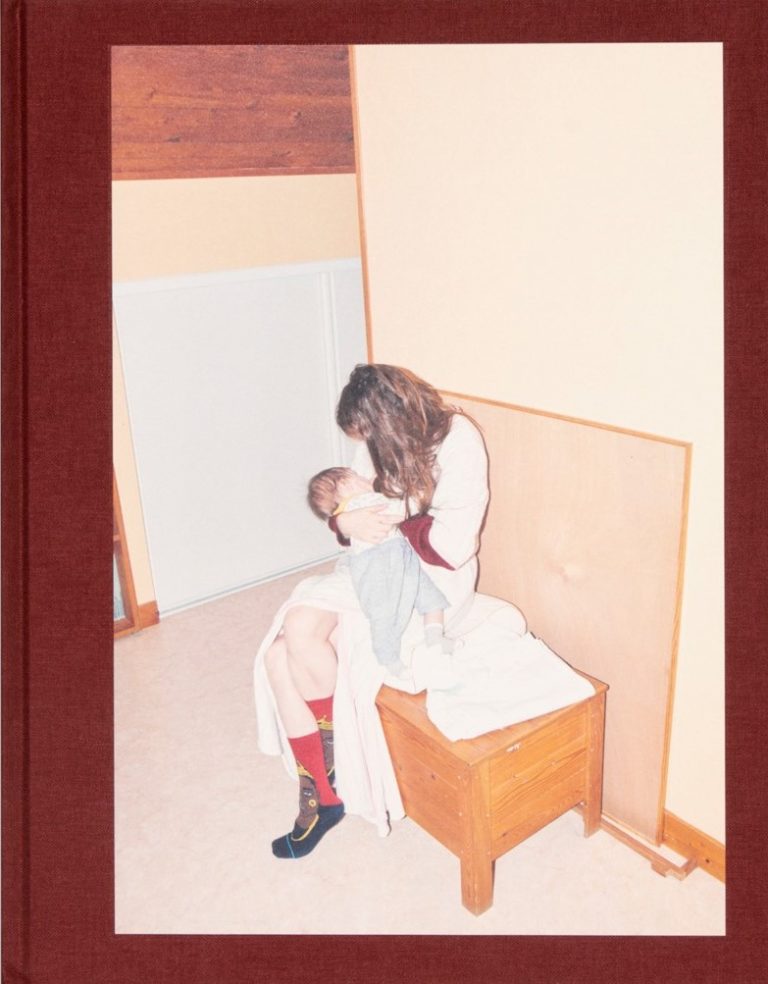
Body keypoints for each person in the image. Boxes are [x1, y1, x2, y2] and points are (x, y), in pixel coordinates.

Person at [255, 364, 490, 859]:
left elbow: (452, 547)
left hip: (428, 579)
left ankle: (325, 789)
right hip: (372, 565)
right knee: (287, 639)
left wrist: (386, 516)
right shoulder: (378, 440)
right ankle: (325, 786)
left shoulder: (459, 442)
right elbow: (348, 498)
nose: (366, 447)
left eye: (369, 434)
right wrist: (347, 524)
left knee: (286, 655)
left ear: (392, 419)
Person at [307, 465, 452, 673]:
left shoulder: (353, 510)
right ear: (346, 485)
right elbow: (401, 509)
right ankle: (392, 655)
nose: (365, 478)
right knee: (384, 611)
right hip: (377, 564)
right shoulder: (362, 504)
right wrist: (427, 486)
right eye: (357, 477)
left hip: (399, 556)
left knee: (422, 596)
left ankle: (431, 641)